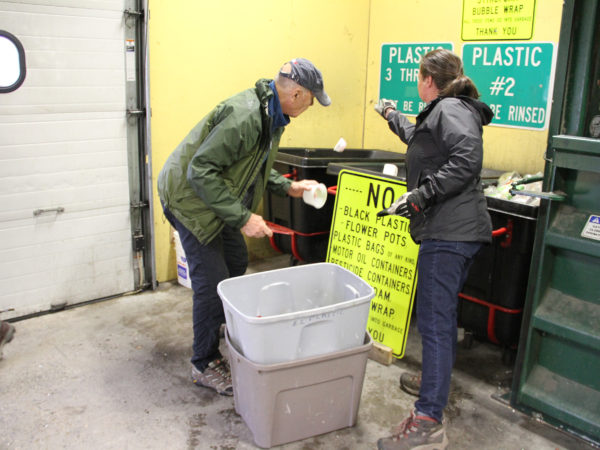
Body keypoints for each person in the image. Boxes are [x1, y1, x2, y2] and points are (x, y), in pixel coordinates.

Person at [157, 58, 331, 396]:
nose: (311, 106)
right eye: (311, 100)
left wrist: (287, 186)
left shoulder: (273, 116)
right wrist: (243, 217)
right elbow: (200, 171)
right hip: (189, 199)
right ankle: (203, 361)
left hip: (215, 196)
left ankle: (220, 327)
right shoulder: (246, 116)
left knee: (236, 261)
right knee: (212, 284)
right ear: (296, 93)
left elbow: (252, 165)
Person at [374, 49, 493, 449]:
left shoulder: (450, 109)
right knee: (437, 318)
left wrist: (420, 197)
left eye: (418, 76)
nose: (416, 81)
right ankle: (432, 378)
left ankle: (428, 421)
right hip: (450, 230)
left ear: (427, 79)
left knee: (435, 322)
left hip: (450, 233)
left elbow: (466, 159)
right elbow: (420, 142)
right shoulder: (440, 111)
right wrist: (392, 116)